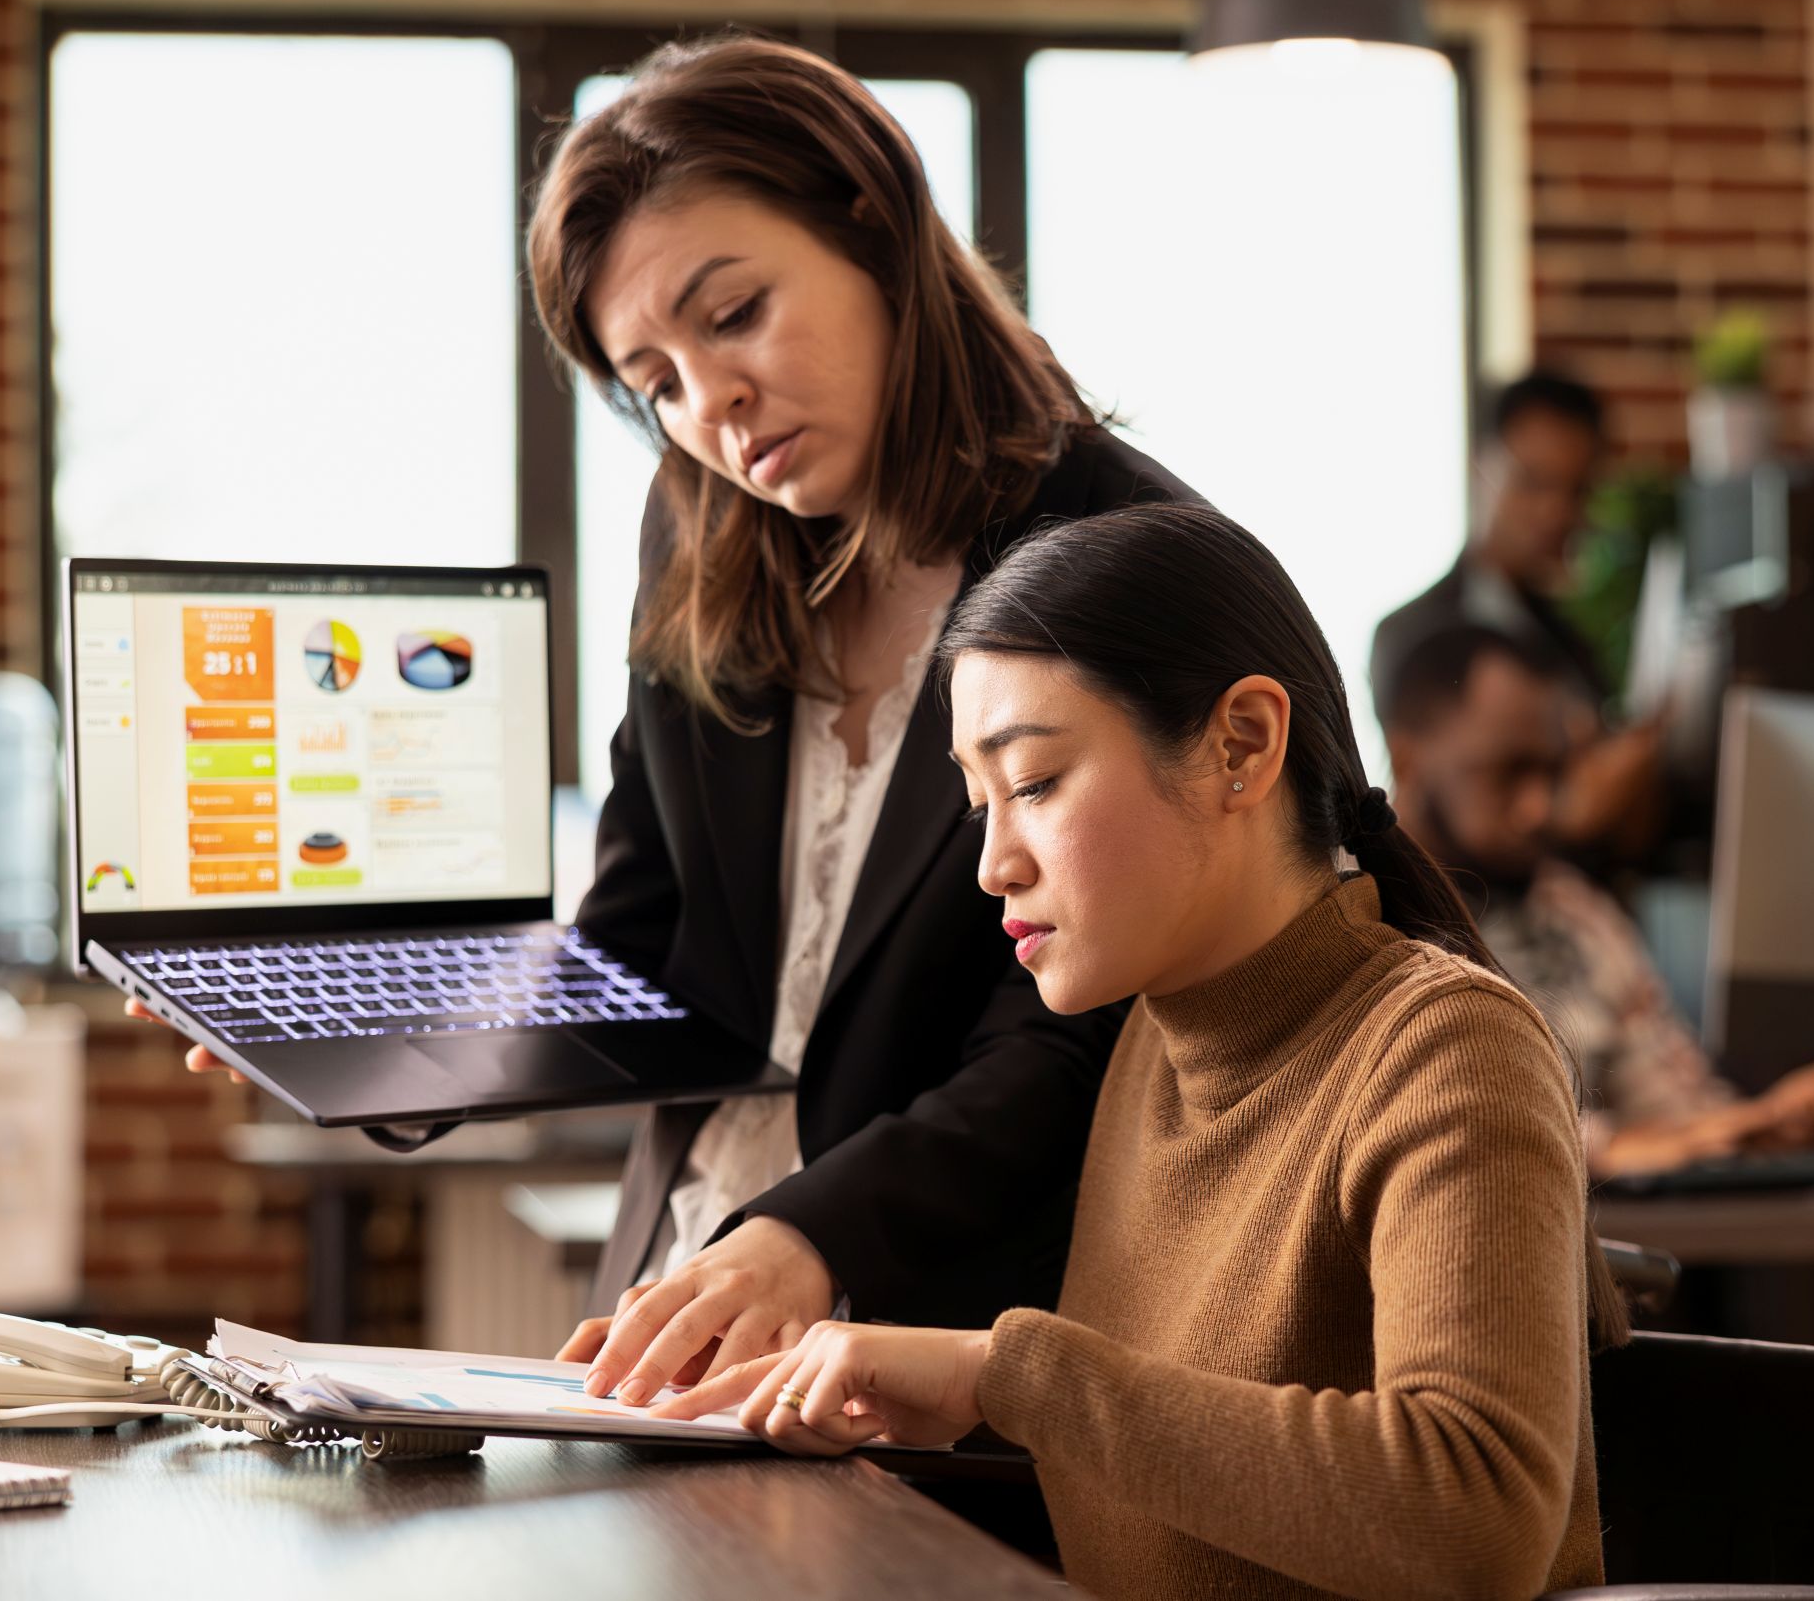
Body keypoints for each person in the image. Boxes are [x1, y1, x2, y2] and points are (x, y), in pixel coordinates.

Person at [132, 33, 1194, 1396]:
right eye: (655, 383)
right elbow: (649, 951)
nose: (711, 406)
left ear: (873, 226)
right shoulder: (701, 542)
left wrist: (810, 1233)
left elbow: (1084, 1039)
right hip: (682, 1301)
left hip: (958, 1340)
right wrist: (371, 1039)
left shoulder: (1125, 553)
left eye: (735, 311)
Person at [662, 505, 1623, 1600]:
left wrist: (1002, 1373)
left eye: (1031, 784)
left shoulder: (1448, 1048)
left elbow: (1475, 1518)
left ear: (1242, 744)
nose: (992, 864)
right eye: (978, 804)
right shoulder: (1147, 1048)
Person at [1378, 621, 1814, 1179]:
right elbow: (1414, 1121)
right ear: (1407, 760)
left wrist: (1764, 1123)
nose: (1537, 808)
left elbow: (1677, 1107)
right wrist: (1614, 1149)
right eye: (1506, 773)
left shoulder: (1571, 909)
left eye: (1550, 773)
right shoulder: (1355, 916)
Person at [1372, 368, 1665, 860]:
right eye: (1533, 482)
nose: (1555, 512)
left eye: (1576, 491)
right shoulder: (1407, 635)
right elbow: (1444, 812)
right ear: (1481, 465)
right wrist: (1565, 809)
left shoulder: (1571, 643)